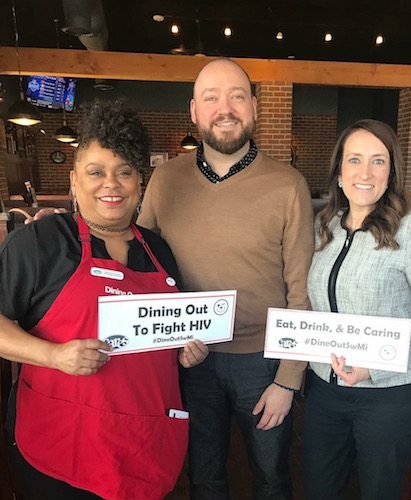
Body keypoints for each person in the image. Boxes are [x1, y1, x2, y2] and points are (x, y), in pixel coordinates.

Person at [0, 98, 208, 500]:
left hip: (144, 443)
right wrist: (54, 356)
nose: (110, 184)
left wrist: (184, 349)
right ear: (75, 182)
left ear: (139, 184)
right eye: (96, 172)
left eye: (124, 172)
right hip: (62, 447)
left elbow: (168, 330)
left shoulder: (159, 251)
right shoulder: (39, 243)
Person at [138, 58, 314, 499]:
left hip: (264, 361)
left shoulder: (288, 185)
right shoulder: (164, 180)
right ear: (194, 110)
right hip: (190, 358)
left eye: (237, 96)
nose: (226, 108)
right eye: (212, 97)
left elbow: (302, 289)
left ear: (253, 107)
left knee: (272, 477)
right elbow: (142, 267)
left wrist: (289, 380)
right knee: (204, 477)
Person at [303, 119, 411, 500]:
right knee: (320, 490)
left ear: (391, 172)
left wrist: (378, 366)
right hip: (325, 389)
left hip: (387, 396)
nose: (365, 173)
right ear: (339, 172)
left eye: (378, 161)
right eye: (354, 160)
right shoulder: (323, 227)